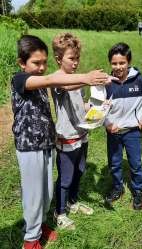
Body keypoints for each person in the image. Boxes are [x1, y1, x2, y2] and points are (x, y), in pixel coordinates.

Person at [11, 34, 112, 249]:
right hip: (29, 148)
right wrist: (87, 77)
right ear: (22, 63)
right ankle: (30, 241)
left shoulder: (39, 80)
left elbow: (62, 86)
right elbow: (51, 80)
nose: (41, 68)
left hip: (46, 144)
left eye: (43, 62)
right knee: (34, 195)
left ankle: (38, 228)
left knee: (46, 194)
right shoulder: (20, 79)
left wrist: (98, 104)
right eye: (36, 63)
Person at [104, 42, 142, 210]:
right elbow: (99, 107)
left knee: (135, 164)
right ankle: (118, 188)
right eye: (114, 63)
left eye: (122, 63)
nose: (118, 67)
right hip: (113, 132)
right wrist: (107, 123)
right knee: (114, 163)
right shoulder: (106, 83)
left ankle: (137, 191)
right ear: (110, 63)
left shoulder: (139, 79)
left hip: (133, 132)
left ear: (129, 62)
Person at [51, 33, 97, 230]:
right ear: (59, 59)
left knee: (79, 171)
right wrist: (87, 79)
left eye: (77, 58)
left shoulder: (77, 79)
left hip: (82, 133)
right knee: (66, 177)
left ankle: (72, 201)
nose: (76, 63)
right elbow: (68, 85)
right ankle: (59, 213)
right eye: (71, 58)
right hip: (66, 137)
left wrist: (98, 107)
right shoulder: (57, 79)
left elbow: (81, 105)